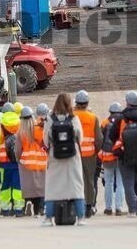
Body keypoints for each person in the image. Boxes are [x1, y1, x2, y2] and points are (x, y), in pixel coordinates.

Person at [42, 93, 87, 226]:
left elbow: (46, 140)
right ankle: (80, 217)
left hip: (55, 155)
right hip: (73, 156)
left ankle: (49, 218)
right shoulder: (74, 118)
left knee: (52, 188)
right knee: (76, 186)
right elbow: (80, 138)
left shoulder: (50, 119)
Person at [73, 90, 103, 218]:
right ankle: (89, 206)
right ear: (87, 103)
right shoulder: (93, 118)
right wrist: (95, 151)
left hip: (74, 154)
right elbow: (99, 139)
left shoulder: (72, 116)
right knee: (89, 181)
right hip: (90, 155)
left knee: (75, 180)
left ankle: (76, 205)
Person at [0, 110, 24, 216]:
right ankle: (18, 208)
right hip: (17, 162)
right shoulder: (20, 125)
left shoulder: (0, 127)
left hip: (3, 163)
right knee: (18, 185)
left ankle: (5, 209)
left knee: (5, 186)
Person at [18, 106, 48, 216]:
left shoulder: (21, 132)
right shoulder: (39, 129)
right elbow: (46, 144)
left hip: (26, 162)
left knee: (28, 186)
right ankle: (40, 208)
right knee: (41, 187)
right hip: (41, 161)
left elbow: (17, 150)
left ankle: (28, 202)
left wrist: (19, 160)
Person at [99, 102, 125, 216]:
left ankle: (108, 208)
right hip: (120, 156)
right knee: (120, 182)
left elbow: (100, 139)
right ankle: (119, 208)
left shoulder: (105, 123)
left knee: (108, 182)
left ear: (110, 112)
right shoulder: (124, 123)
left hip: (108, 157)